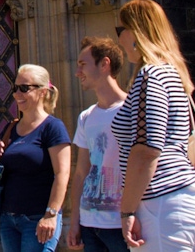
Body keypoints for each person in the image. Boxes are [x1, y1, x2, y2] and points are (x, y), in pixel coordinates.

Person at [112, 0, 195, 250]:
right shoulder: (169, 72)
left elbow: (147, 150)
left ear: (135, 32)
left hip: (162, 201)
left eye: (119, 31)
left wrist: (127, 211)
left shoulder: (151, 75)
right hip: (172, 199)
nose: (119, 40)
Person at [0, 64, 71, 252]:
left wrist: (50, 215)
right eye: (15, 88)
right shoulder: (11, 128)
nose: (17, 94)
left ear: (41, 92)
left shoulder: (52, 127)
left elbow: (62, 174)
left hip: (37, 218)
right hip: (9, 220)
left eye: (24, 88)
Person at [67, 37, 128, 252]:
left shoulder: (131, 111)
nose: (77, 72)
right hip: (89, 224)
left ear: (104, 64)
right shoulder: (86, 117)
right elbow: (81, 171)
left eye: (83, 65)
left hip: (121, 224)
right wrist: (75, 221)